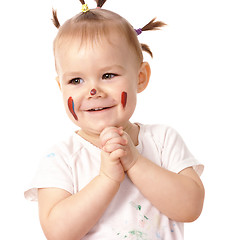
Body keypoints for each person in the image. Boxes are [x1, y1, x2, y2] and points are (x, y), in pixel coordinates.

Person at [24, 0, 205, 239]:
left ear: (140, 77)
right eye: (76, 80)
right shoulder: (61, 158)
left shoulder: (162, 140)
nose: (93, 90)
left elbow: (190, 208)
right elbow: (57, 232)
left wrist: (135, 162)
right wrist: (107, 178)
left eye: (108, 75)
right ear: (60, 86)